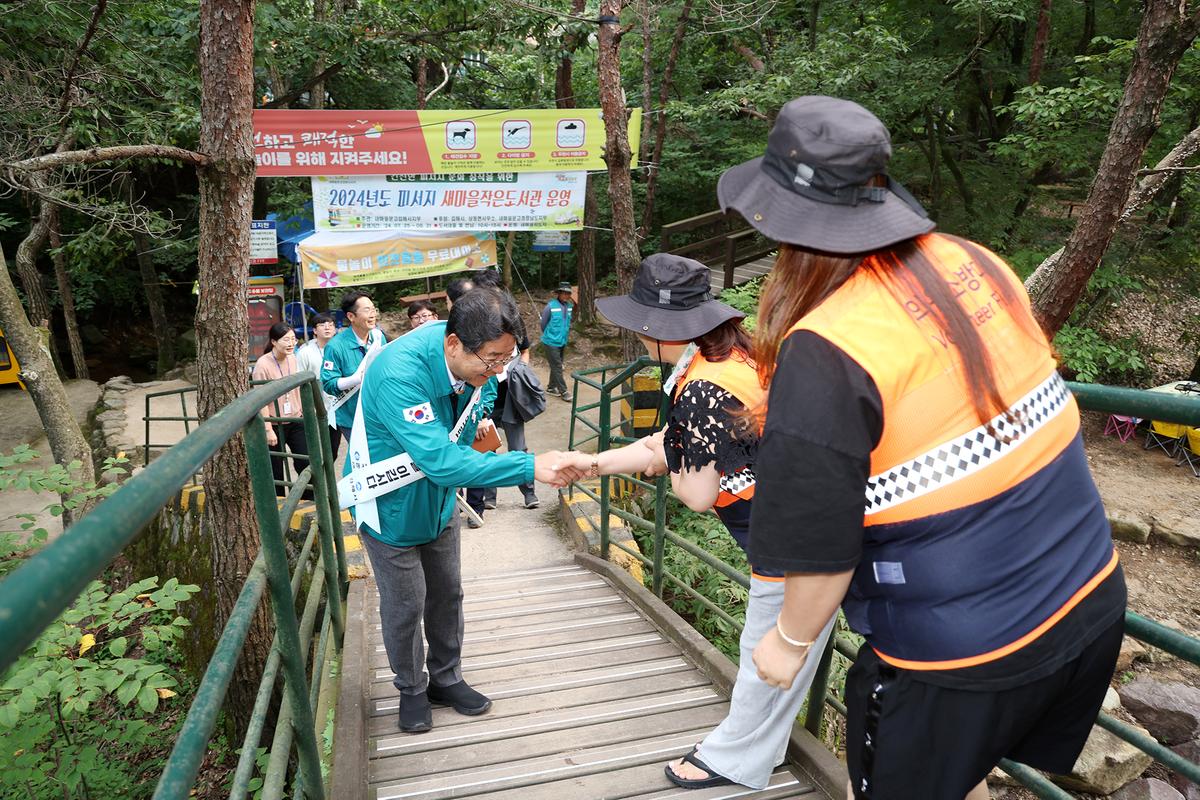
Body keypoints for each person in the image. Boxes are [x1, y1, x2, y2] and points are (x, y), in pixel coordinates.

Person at [720, 97, 1124, 800]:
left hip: (967, 649)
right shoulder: (974, 261)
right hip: (1088, 591)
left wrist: (784, 644)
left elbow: (818, 549)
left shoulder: (826, 346)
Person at [564, 253, 835, 791]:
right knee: (787, 650)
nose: (635, 337)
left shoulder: (701, 390)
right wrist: (597, 463)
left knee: (765, 648)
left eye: (639, 325)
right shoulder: (737, 355)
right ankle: (765, 747)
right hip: (821, 520)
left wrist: (682, 461)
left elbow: (695, 491)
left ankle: (734, 758)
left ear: (662, 329)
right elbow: (674, 446)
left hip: (788, 541)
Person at [344, 288, 583, 733]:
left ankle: (446, 678)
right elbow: (439, 461)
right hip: (390, 503)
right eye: (491, 360)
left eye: (505, 360)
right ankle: (411, 688)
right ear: (454, 344)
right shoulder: (400, 373)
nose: (497, 370)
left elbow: (482, 406)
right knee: (405, 604)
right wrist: (530, 464)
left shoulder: (479, 360)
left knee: (448, 592)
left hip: (438, 502)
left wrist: (483, 424)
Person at [464, 270, 542, 517]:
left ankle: (528, 492)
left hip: (510, 395)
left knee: (518, 446)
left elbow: (525, 348)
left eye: (494, 292)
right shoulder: (472, 323)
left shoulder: (512, 319)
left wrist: (520, 368)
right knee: (486, 447)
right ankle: (489, 497)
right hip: (483, 394)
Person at [321, 291, 387, 445]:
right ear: (351, 317)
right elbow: (329, 384)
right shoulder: (335, 346)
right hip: (352, 416)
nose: (372, 315)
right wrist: (356, 379)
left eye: (373, 309)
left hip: (379, 412)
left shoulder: (378, 337)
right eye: (366, 310)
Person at [252, 322, 310, 495]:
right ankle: (279, 505)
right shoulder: (263, 365)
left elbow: (297, 388)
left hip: (295, 418)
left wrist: (302, 412)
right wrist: (268, 428)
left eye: (293, 339)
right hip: (274, 423)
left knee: (306, 460)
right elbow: (261, 399)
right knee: (275, 467)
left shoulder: (293, 358)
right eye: (286, 340)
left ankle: (310, 498)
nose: (291, 343)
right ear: (274, 342)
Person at [295, 312, 341, 455]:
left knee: (333, 449)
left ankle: (329, 476)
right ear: (314, 330)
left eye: (331, 325)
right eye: (322, 325)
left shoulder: (340, 349)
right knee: (316, 449)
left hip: (339, 404)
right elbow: (299, 380)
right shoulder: (305, 352)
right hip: (316, 407)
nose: (327, 327)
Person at [539, 282, 574, 401]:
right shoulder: (550, 306)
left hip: (562, 341)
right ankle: (563, 391)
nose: (566, 295)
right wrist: (550, 335)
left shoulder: (569, 306)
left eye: (568, 293)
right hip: (550, 341)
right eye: (563, 293)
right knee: (558, 366)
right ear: (558, 293)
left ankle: (551, 387)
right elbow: (543, 324)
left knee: (556, 365)